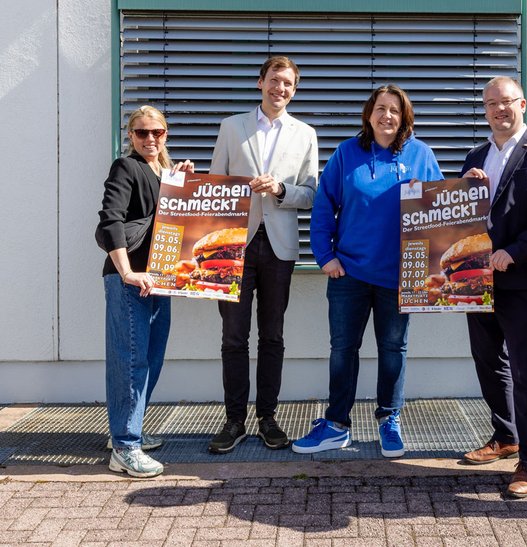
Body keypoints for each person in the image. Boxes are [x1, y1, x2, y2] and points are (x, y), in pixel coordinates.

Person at [293, 84, 443, 458]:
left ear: (404, 116)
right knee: (343, 350)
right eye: (380, 108)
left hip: (402, 276)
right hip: (350, 273)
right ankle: (336, 425)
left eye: (394, 110)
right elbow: (324, 208)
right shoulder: (347, 153)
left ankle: (389, 419)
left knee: (394, 349)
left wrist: (472, 187)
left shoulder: (421, 155)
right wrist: (324, 256)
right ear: (368, 113)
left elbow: (442, 209)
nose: (387, 116)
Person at [459, 77, 527, 498]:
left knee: (525, 368)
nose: (499, 110)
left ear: (522, 103)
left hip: (520, 278)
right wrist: (466, 190)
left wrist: (514, 253)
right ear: (484, 110)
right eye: (491, 104)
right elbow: (463, 219)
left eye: (506, 102)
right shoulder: (476, 155)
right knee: (487, 359)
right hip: (475, 278)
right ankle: (505, 437)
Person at [207, 56, 318, 454]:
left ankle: (268, 418)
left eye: (288, 83)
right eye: (274, 80)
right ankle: (234, 420)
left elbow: (311, 193)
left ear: (294, 89)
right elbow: (215, 186)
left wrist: (281, 190)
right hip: (233, 244)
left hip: (280, 246)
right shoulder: (230, 127)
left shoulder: (305, 133)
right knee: (233, 336)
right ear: (260, 83)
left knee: (272, 335)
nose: (280, 89)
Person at [96, 105, 195, 478]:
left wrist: (183, 185)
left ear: (166, 134)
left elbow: (180, 224)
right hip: (132, 281)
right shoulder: (126, 167)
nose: (150, 139)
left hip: (160, 280)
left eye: (157, 132)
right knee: (131, 361)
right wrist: (127, 273)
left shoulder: (164, 174)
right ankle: (125, 446)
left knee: (149, 360)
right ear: (131, 136)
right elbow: (110, 220)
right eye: (141, 133)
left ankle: (127, 431)